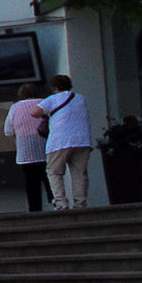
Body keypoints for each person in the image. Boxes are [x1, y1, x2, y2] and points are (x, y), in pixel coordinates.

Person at [36, 74, 94, 210]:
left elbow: (34, 112)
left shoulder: (52, 99)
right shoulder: (80, 98)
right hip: (81, 140)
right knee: (79, 173)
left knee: (54, 172)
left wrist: (46, 113)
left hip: (59, 141)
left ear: (54, 87)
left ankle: (61, 203)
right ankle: (80, 204)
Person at [4, 82, 49, 213]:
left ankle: (35, 210)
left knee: (31, 182)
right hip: (46, 147)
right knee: (50, 178)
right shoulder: (44, 103)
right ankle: (56, 202)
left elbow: (8, 130)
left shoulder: (15, 107)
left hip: (26, 152)